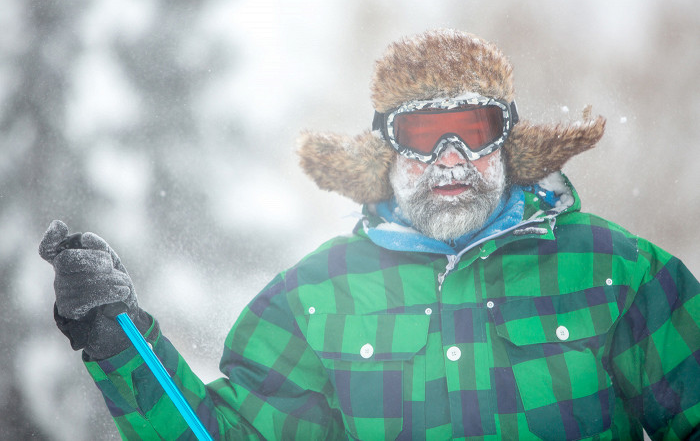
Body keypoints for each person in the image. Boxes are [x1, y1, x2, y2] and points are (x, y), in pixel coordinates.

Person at [39, 29, 700, 440]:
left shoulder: (617, 270)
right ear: (386, 153)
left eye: (473, 132)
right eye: (421, 135)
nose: (450, 158)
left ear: (507, 145)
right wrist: (120, 338)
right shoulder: (316, 296)